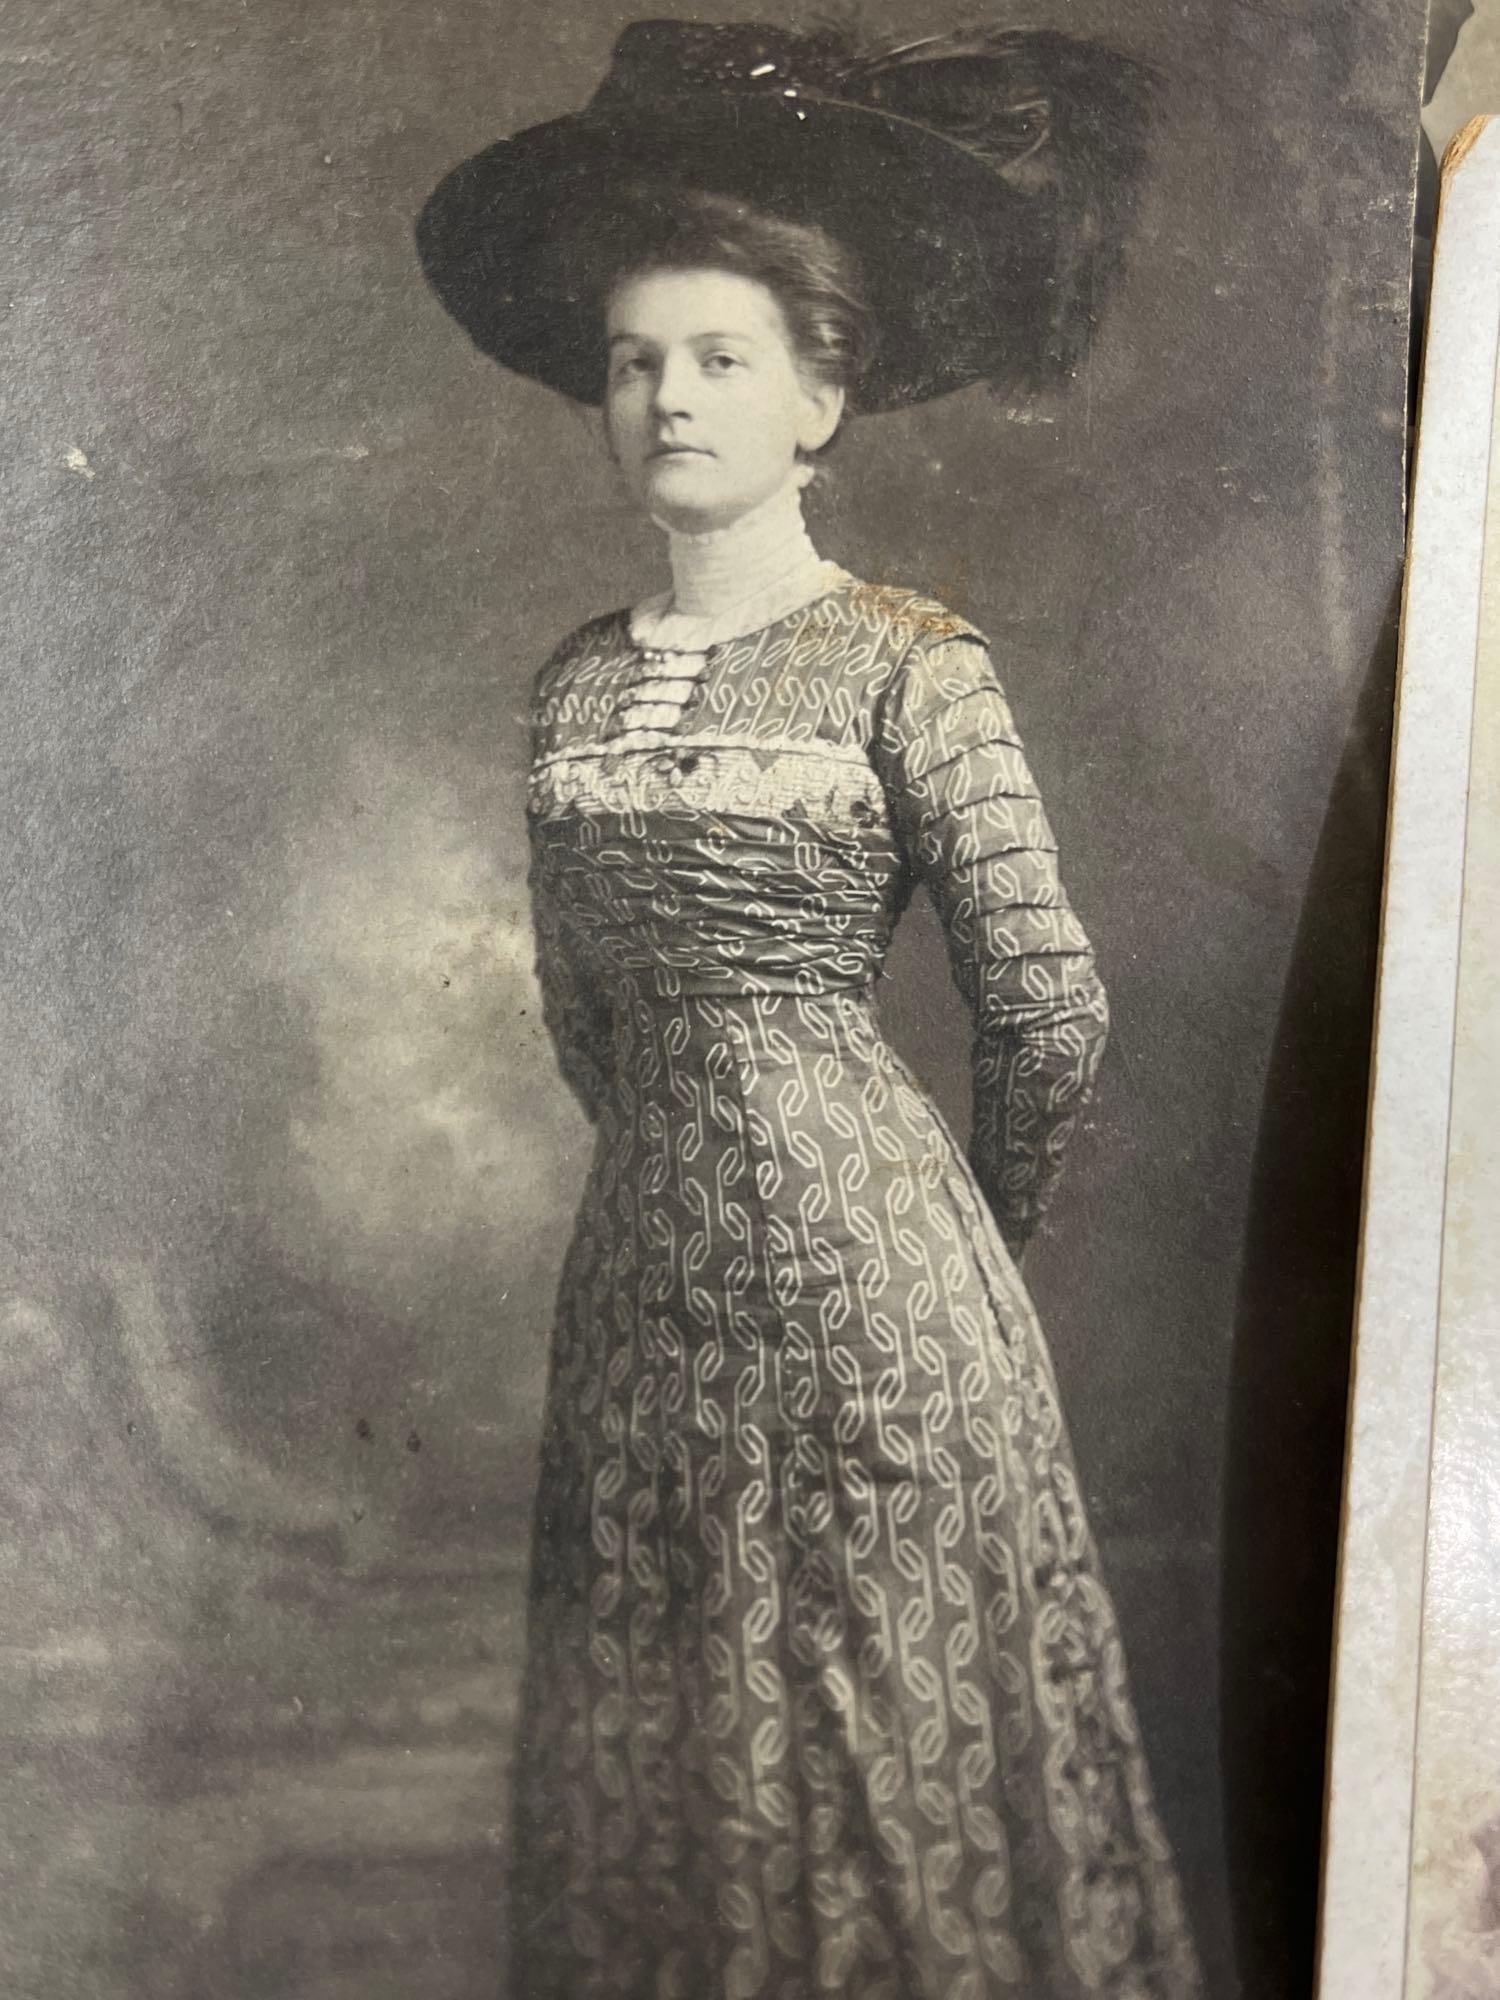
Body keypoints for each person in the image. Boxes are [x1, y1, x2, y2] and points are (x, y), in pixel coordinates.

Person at [417, 20, 1201, 1997]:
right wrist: (698, 1183)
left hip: (882, 1304)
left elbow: (1048, 1003)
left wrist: (957, 1236)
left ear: (820, 395)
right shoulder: (571, 690)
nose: (669, 399)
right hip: (641, 1306)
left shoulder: (905, 666)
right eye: (635, 362)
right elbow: (586, 1018)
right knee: (671, 1757)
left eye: (719, 359)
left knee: (871, 1757)